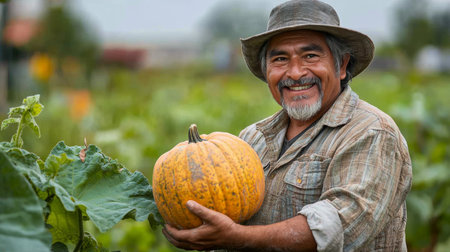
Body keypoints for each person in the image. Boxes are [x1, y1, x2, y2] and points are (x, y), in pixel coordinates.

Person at [162, 0, 413, 251]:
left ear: (342, 65)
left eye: (310, 56)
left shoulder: (371, 132)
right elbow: (224, 208)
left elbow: (340, 225)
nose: (294, 73)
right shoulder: (252, 138)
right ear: (267, 71)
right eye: (280, 59)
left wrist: (238, 237)